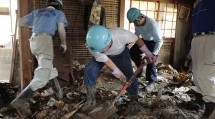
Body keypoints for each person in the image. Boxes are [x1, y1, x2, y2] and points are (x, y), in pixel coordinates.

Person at [10, 0, 68, 115]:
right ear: (59, 6)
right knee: (42, 76)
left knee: (47, 67)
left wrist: (36, 24)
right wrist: (63, 43)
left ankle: (59, 94)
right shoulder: (59, 13)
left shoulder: (37, 11)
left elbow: (21, 22)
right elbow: (61, 29)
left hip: (34, 41)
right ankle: (18, 101)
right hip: (45, 40)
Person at [81, 25, 156, 111]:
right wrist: (121, 77)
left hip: (121, 54)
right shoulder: (93, 46)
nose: (100, 52)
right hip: (106, 58)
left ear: (109, 42)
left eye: (101, 50)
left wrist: (148, 53)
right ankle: (91, 98)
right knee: (90, 70)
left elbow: (138, 40)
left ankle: (133, 100)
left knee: (130, 77)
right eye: (99, 50)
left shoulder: (122, 35)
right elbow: (108, 62)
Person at [127, 8, 163, 92]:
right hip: (144, 41)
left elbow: (159, 41)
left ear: (140, 18)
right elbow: (136, 34)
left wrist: (154, 54)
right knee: (132, 52)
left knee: (151, 61)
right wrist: (127, 41)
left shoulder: (152, 25)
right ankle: (141, 67)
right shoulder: (137, 24)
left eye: (135, 22)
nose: (135, 24)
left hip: (154, 42)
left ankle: (152, 82)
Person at [190, 0, 215, 118]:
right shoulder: (197, 5)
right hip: (196, 39)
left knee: (204, 73)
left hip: (210, 38)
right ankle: (201, 101)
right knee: (196, 73)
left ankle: (212, 106)